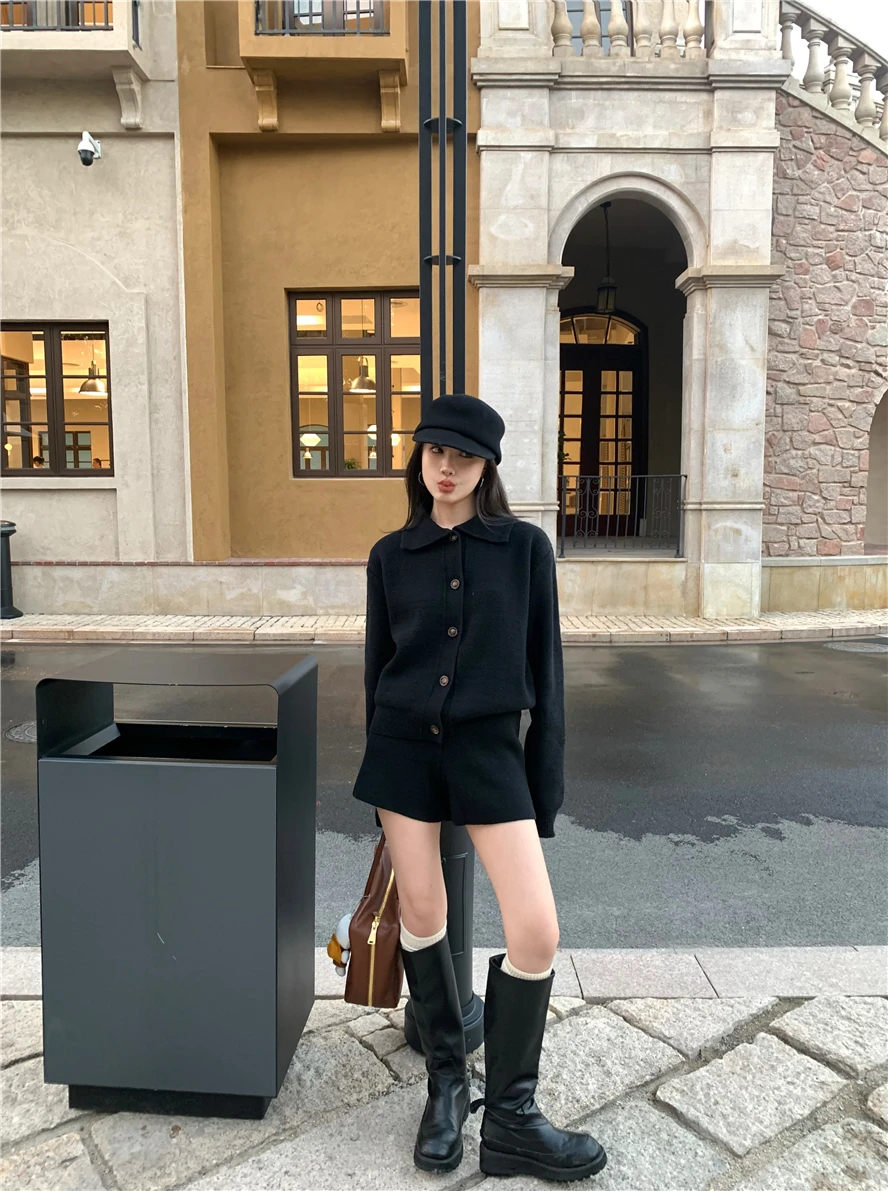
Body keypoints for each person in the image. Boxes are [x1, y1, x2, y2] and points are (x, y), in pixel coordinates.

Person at [353, 394, 607, 1182]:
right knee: (422, 913)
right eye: (436, 451)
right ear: (419, 456)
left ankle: (513, 1117)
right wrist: (378, 772)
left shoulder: (525, 548)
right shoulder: (390, 555)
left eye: (463, 455)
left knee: (536, 931)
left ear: (487, 464)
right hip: (403, 753)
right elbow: (377, 672)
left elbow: (547, 676)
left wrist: (542, 786)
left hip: (490, 754)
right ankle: (446, 1085)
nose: (447, 467)